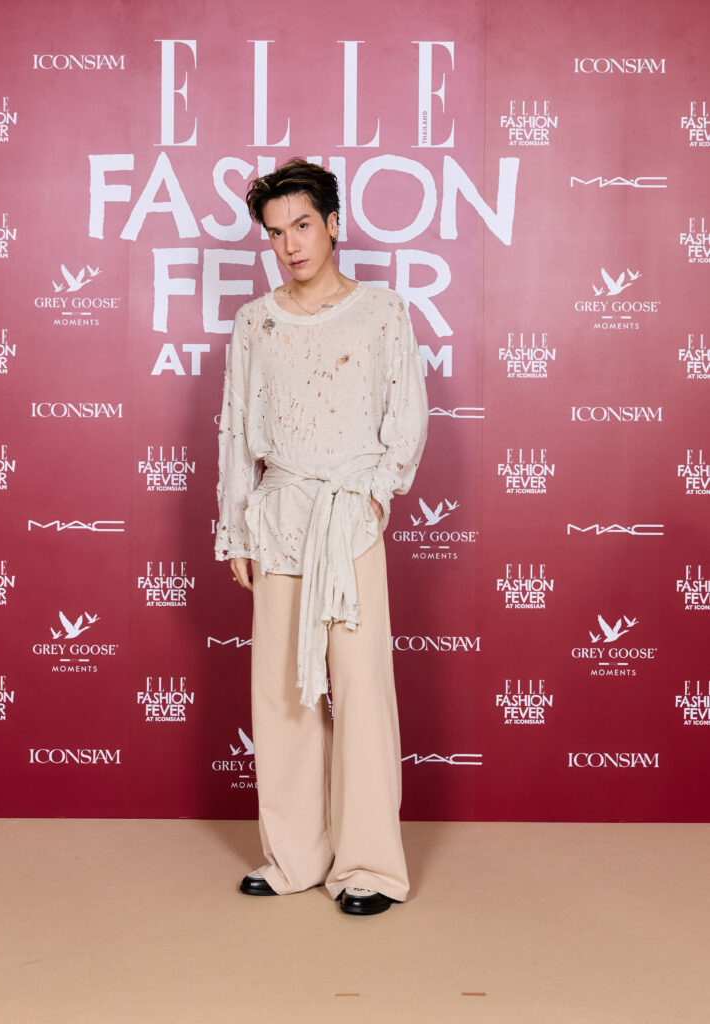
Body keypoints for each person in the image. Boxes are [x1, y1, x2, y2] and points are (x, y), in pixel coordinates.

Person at [215, 158, 428, 915]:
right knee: (282, 692)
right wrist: (236, 528)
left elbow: (407, 413)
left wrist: (375, 493)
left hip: (348, 522)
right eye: (276, 233)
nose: (290, 245)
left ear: (333, 224)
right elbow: (236, 431)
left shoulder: (382, 313)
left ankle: (368, 864)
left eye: (302, 225)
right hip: (278, 517)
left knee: (361, 691)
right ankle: (294, 855)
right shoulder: (255, 322)